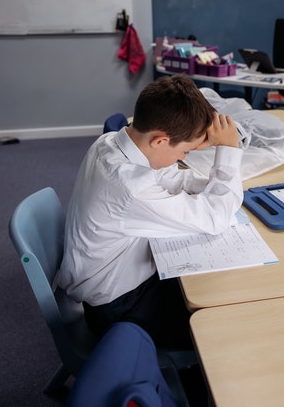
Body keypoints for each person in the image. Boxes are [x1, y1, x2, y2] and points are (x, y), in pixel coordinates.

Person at [54, 75, 243, 350]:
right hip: (120, 310)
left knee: (205, 288)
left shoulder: (110, 142)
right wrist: (228, 150)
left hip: (119, 283)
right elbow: (216, 219)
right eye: (186, 151)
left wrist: (215, 183)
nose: (183, 159)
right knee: (221, 323)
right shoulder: (131, 189)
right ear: (160, 140)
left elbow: (169, 179)